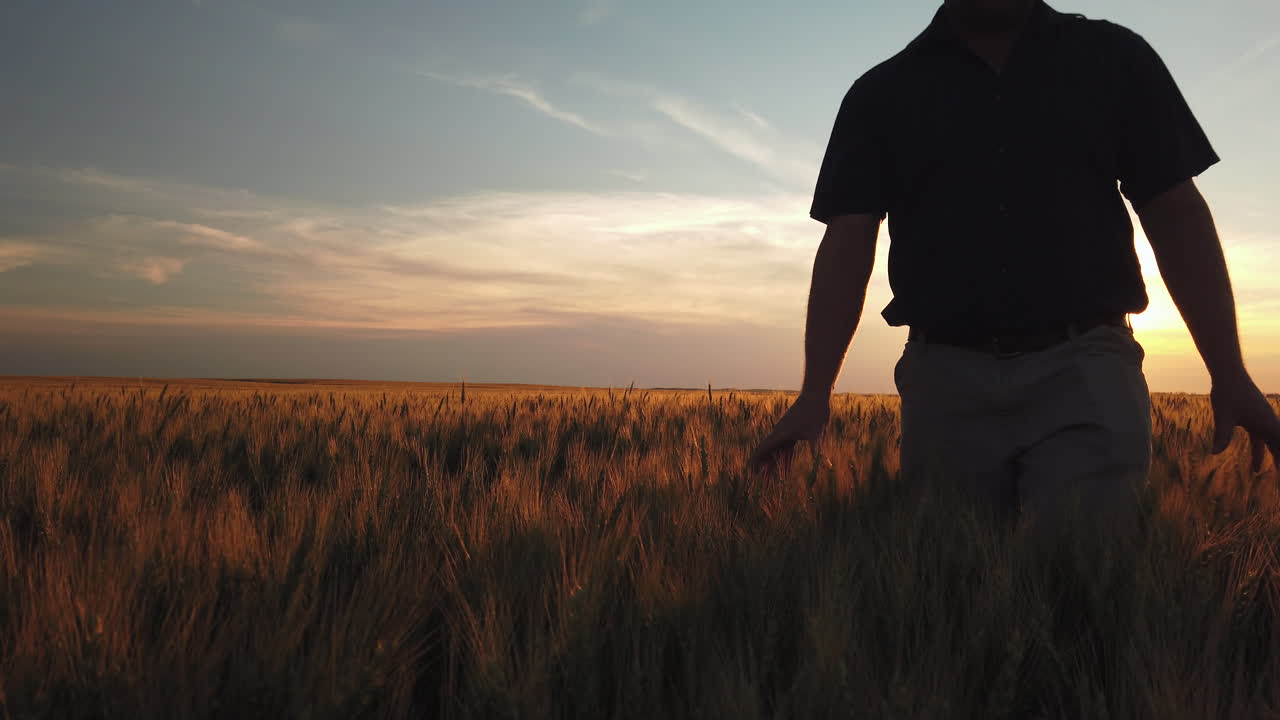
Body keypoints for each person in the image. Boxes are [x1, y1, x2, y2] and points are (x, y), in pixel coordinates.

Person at [748, 0, 1280, 531]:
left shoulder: (1113, 58)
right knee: (957, 591)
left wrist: (1228, 369)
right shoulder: (881, 93)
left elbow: (1175, 212)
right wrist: (815, 391)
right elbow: (847, 239)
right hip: (945, 381)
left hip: (1087, 368)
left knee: (1083, 586)